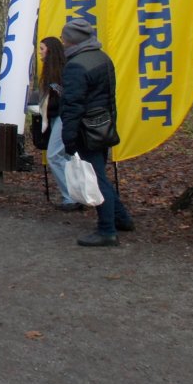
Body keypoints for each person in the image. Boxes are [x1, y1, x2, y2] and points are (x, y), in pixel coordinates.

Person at [59, 18, 134, 246]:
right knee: (100, 175)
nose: (62, 41)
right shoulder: (103, 58)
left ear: (72, 40)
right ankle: (122, 218)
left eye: (64, 37)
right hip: (104, 126)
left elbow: (72, 105)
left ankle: (107, 230)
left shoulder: (75, 66)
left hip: (86, 131)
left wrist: (69, 137)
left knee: (97, 180)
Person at [38, 36, 80, 211]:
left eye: (42, 49)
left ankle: (70, 197)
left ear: (50, 50)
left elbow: (66, 95)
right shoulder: (50, 71)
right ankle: (76, 195)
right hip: (56, 116)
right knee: (66, 157)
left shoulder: (64, 69)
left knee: (54, 155)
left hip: (64, 116)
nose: (40, 53)